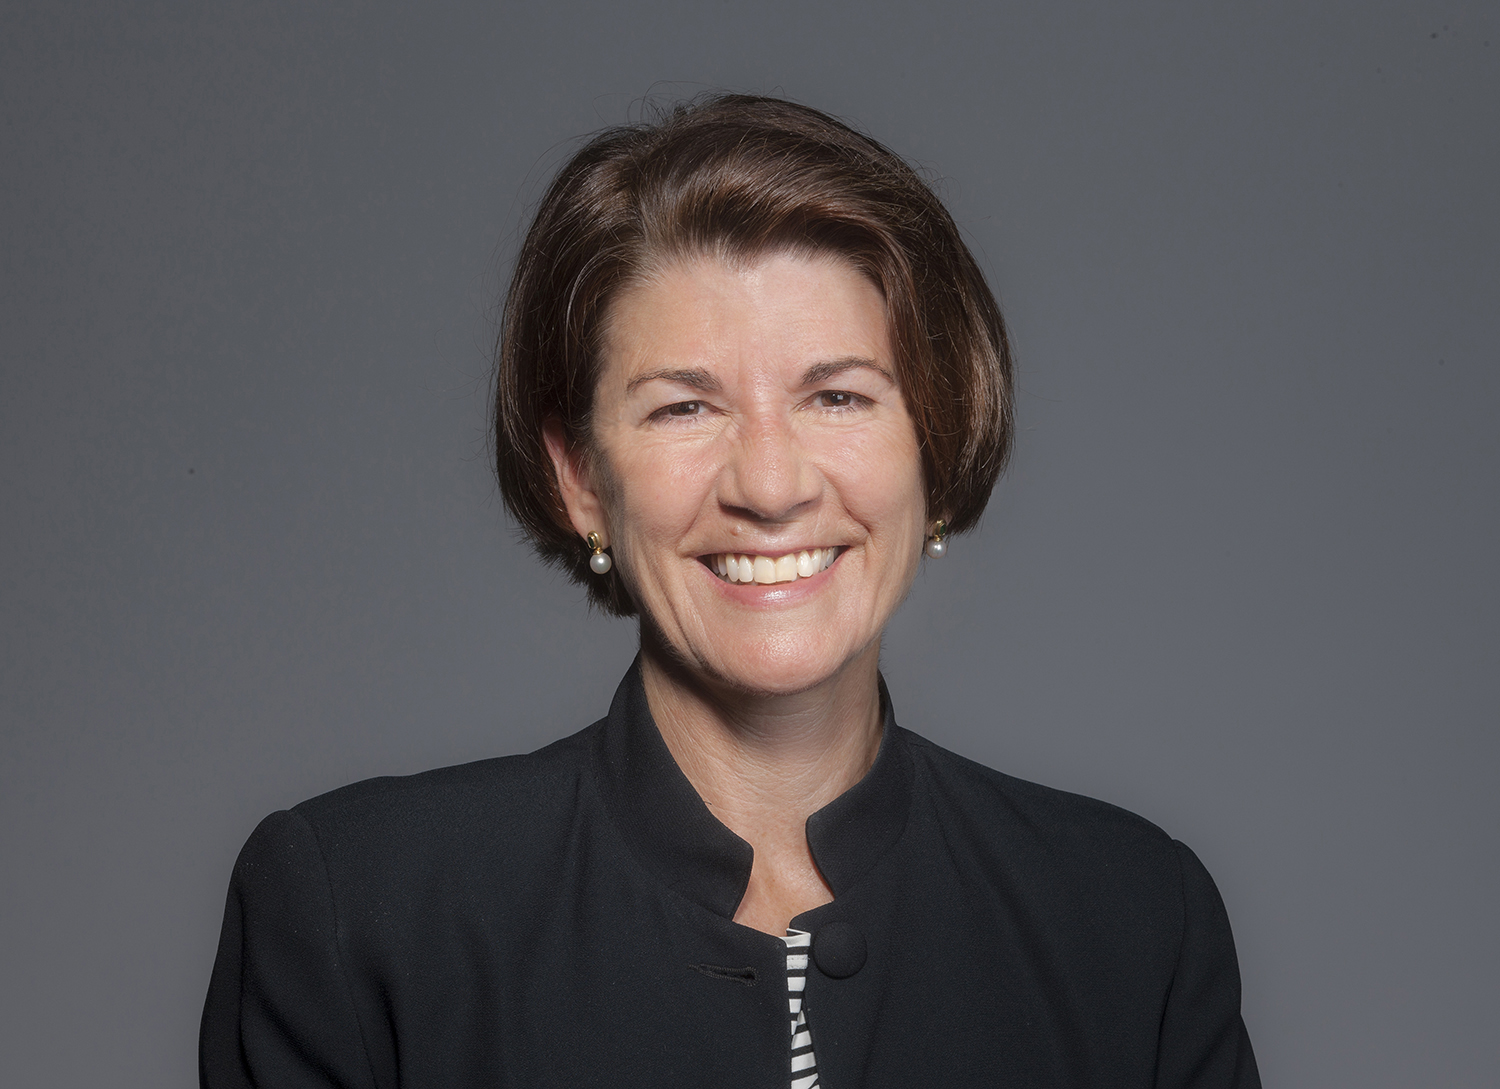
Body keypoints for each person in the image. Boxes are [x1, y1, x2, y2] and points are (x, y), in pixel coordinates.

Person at [200, 94, 1260, 1089]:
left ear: (934, 445)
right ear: (580, 477)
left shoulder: (1134, 922)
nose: (770, 485)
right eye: (684, 408)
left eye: (837, 396)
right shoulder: (361, 911)